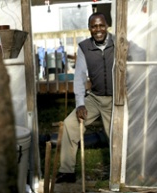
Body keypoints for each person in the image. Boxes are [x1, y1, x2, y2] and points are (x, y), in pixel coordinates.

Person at [55, 12, 114, 183]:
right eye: (94, 26)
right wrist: (80, 104)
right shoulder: (84, 47)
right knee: (70, 124)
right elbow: (80, 77)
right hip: (94, 99)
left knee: (116, 134)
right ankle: (67, 172)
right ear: (89, 28)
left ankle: (120, 171)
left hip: (114, 99)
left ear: (107, 26)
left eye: (101, 25)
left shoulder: (118, 43)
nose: (98, 30)